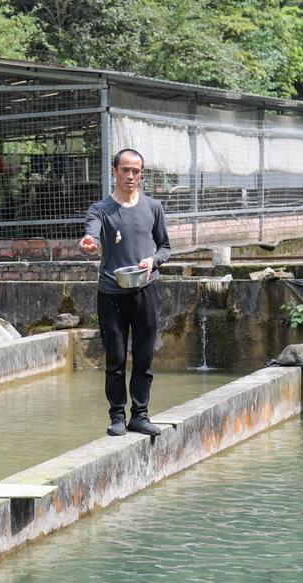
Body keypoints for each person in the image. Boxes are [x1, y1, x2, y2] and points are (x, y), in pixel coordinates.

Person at [79, 148, 171, 437]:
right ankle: (117, 416)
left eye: (136, 171)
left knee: (143, 357)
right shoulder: (100, 209)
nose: (130, 176)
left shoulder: (153, 207)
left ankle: (140, 415)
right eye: (125, 170)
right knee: (115, 359)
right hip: (111, 291)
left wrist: (152, 260)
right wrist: (90, 243)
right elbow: (91, 234)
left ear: (141, 173)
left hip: (146, 289)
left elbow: (165, 248)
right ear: (114, 172)